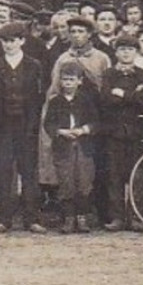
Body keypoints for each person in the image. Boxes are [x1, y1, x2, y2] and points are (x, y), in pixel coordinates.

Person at [0, 22, 48, 234]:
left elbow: (38, 98)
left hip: (26, 126)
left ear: (22, 41)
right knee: (4, 172)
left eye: (13, 40)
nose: (9, 45)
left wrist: (33, 126)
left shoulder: (33, 66)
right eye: (5, 41)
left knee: (28, 172)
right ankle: (4, 219)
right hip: (2, 127)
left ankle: (32, 219)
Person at [98, 35, 143, 231]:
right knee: (113, 175)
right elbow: (106, 99)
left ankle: (136, 217)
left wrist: (122, 94)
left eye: (130, 49)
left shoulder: (142, 74)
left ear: (136, 52)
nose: (126, 53)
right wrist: (133, 96)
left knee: (137, 175)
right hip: (114, 131)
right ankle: (117, 218)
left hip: (136, 131)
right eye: (122, 49)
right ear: (116, 52)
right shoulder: (108, 74)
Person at [42, 62, 101, 234]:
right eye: (64, 80)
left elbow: (96, 122)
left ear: (79, 81)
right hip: (63, 147)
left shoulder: (85, 100)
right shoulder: (55, 102)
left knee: (84, 182)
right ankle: (68, 218)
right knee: (66, 181)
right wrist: (61, 132)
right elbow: (48, 124)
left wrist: (83, 130)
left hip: (83, 146)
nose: (68, 83)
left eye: (71, 80)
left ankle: (82, 217)